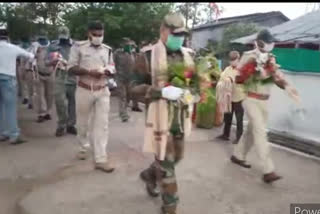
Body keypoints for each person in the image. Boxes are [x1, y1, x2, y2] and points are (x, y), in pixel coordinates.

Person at [132, 13, 196, 214]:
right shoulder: (148, 56)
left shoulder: (188, 56)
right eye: (175, 34)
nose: (179, 38)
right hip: (159, 119)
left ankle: (150, 175)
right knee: (168, 168)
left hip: (180, 118)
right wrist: (160, 92)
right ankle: (170, 206)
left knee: (176, 158)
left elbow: (196, 84)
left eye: (182, 34)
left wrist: (193, 94)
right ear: (163, 31)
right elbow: (132, 88)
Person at [229, 29, 301, 183]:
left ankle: (238, 155)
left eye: (271, 42)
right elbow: (238, 79)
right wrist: (252, 70)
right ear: (259, 42)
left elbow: (276, 78)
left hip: (264, 102)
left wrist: (288, 87)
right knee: (260, 132)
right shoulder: (249, 57)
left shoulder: (271, 59)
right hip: (251, 99)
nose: (270, 45)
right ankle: (268, 170)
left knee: (251, 132)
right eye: (267, 42)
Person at [68, 20, 115, 173]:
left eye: (100, 35)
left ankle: (101, 159)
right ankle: (83, 146)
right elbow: (71, 68)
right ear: (88, 33)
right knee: (82, 123)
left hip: (102, 90)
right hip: (84, 90)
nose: (98, 37)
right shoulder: (78, 47)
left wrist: (108, 71)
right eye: (95, 34)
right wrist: (89, 72)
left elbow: (112, 66)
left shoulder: (107, 50)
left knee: (102, 125)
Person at [0, 28, 34, 144]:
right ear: (8, 37)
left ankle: (2, 133)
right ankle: (14, 135)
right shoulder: (13, 48)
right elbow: (30, 56)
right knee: (10, 108)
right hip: (8, 78)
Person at [47, 26, 77, 137]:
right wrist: (53, 61)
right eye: (61, 38)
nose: (63, 40)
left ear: (69, 35)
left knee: (73, 102)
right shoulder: (53, 45)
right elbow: (46, 61)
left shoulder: (76, 45)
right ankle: (61, 124)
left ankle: (71, 125)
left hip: (73, 75)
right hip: (60, 75)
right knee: (60, 101)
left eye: (65, 37)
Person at [217, 51, 245, 144]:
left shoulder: (242, 69)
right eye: (231, 60)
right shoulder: (227, 69)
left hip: (239, 97)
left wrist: (231, 79)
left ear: (238, 59)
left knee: (239, 119)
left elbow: (241, 79)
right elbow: (222, 78)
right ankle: (226, 134)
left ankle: (239, 137)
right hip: (229, 97)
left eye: (234, 60)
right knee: (227, 116)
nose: (232, 62)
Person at [114, 37, 141, 122]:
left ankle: (128, 108)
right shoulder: (117, 53)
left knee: (130, 95)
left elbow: (138, 53)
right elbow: (113, 63)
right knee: (122, 96)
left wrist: (134, 46)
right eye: (126, 44)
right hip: (120, 77)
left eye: (129, 44)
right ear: (122, 44)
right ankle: (123, 114)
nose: (128, 46)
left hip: (130, 78)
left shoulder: (132, 53)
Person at [34, 31, 54, 123]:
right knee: (40, 95)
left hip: (51, 73)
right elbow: (30, 58)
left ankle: (48, 112)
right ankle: (41, 114)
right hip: (39, 73)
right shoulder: (35, 46)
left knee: (49, 94)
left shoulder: (52, 46)